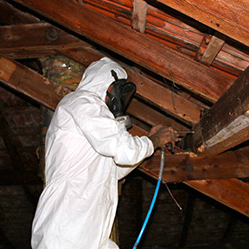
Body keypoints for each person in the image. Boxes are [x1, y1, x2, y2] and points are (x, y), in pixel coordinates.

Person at [31, 57, 177, 249]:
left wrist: (149, 142)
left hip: (88, 235)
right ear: (107, 84)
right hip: (65, 232)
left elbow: (113, 169)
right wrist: (154, 140)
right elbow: (125, 151)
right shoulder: (83, 102)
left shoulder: (93, 127)